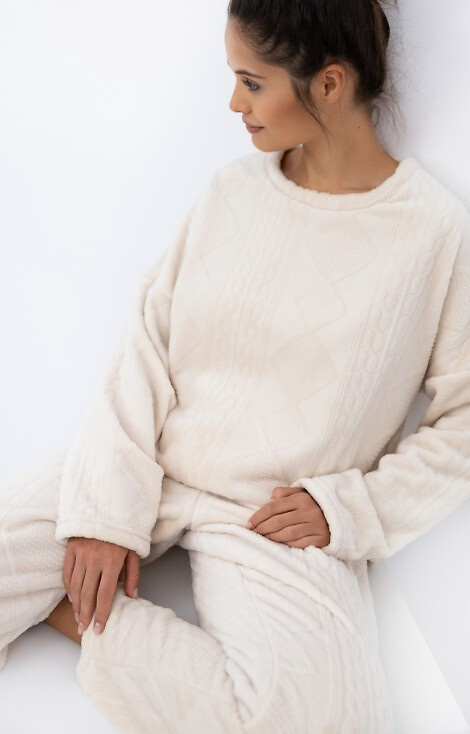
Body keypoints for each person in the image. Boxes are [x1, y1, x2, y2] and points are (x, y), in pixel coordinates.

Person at [1, 1, 469, 732]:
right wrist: (104, 510)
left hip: (270, 517)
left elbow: (463, 421)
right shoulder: (233, 190)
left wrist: (350, 510)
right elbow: (146, 344)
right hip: (150, 463)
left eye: (252, 82)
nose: (233, 103)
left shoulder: (431, 231)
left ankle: (79, 615)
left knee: (331, 720)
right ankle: (75, 588)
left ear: (329, 84)